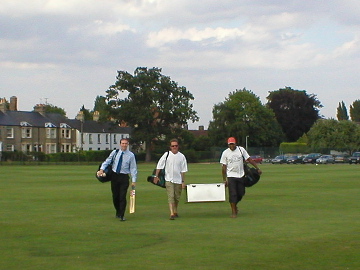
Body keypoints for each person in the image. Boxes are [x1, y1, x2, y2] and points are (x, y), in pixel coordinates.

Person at [220, 137, 262, 218]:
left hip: (241, 175)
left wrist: (257, 168)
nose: (231, 146)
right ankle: (233, 212)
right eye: (230, 144)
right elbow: (224, 167)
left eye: (233, 144)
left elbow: (249, 159)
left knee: (241, 193)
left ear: (235, 143)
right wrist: (224, 180)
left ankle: (235, 205)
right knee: (233, 194)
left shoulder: (241, 150)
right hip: (231, 176)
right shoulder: (225, 153)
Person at [97, 138, 137, 221]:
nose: (124, 145)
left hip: (124, 177)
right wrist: (102, 169)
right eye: (123, 143)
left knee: (122, 196)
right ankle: (118, 211)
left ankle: (122, 215)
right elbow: (107, 161)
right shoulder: (115, 152)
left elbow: (133, 168)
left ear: (128, 144)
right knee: (115, 196)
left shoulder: (131, 155)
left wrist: (133, 180)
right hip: (115, 176)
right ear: (120, 144)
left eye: (126, 143)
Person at [154, 139, 188, 220]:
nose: (174, 147)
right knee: (171, 196)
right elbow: (159, 165)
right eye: (173, 146)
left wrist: (183, 181)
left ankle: (175, 211)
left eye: (176, 146)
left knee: (176, 197)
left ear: (178, 146)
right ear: (170, 147)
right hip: (168, 179)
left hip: (178, 180)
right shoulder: (166, 155)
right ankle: (172, 213)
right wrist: (156, 176)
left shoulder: (182, 156)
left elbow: (183, 170)